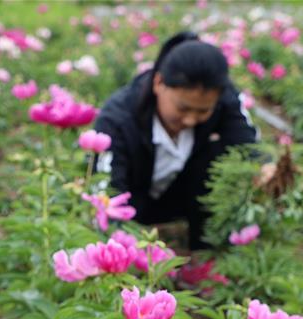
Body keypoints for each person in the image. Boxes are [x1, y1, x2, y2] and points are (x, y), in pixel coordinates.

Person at [94, 32, 259, 250]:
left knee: (228, 159)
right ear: (158, 82)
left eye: (202, 111)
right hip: (134, 203)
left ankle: (208, 249)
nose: (190, 119)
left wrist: (264, 171)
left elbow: (248, 147)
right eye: (182, 108)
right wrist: (123, 249)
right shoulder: (117, 120)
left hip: (181, 196)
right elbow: (106, 193)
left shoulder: (223, 98)